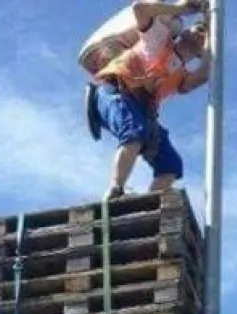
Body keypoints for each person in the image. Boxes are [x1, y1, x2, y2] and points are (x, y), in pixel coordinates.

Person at [85, 1, 211, 198]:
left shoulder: (182, 77)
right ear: (185, 32)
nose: (200, 34)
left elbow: (205, 73)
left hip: (142, 110)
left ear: (201, 52)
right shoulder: (159, 38)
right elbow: (140, 8)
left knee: (170, 165)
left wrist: (212, 36)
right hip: (116, 91)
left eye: (205, 35)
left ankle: (147, 203)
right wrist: (183, 8)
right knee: (135, 132)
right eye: (198, 28)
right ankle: (115, 191)